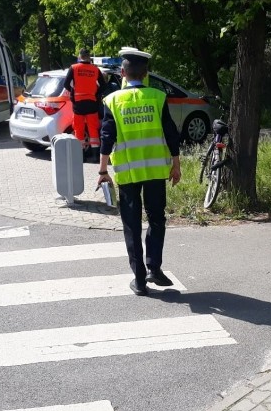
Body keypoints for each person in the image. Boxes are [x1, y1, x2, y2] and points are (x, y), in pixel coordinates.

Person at [97, 48, 182, 296]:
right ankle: (154, 268)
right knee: (157, 218)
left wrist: (103, 170)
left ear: (122, 73)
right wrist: (176, 165)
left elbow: (106, 138)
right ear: (146, 75)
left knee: (132, 224)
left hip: (128, 173)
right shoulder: (158, 97)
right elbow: (171, 133)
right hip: (156, 170)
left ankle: (139, 280)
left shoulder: (112, 101)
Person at [63, 48, 106, 161]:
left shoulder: (74, 68)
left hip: (78, 103)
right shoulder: (95, 69)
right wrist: (96, 94)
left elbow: (66, 84)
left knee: (79, 129)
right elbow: (104, 86)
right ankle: (96, 156)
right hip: (92, 103)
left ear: (79, 56)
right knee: (93, 129)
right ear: (89, 57)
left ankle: (81, 156)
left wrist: (74, 92)